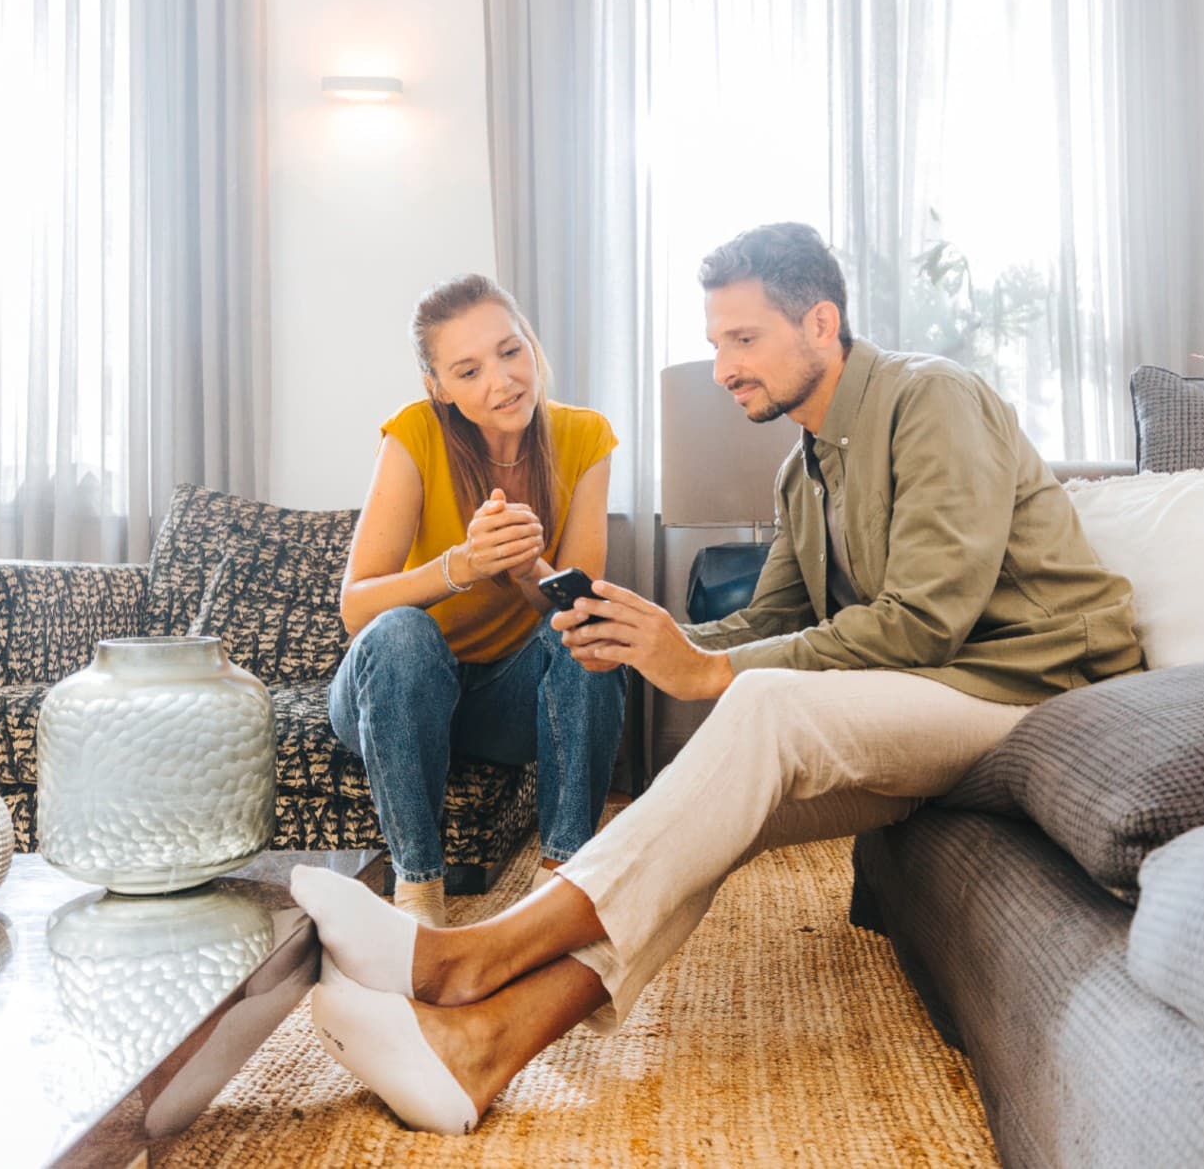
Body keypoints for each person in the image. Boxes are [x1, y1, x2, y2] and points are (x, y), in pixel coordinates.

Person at [293, 223, 1142, 1134]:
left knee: (762, 706)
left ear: (820, 323)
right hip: (937, 696)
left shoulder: (931, 399)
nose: (723, 367)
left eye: (743, 340)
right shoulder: (802, 467)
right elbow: (764, 621)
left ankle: (465, 962)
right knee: (711, 810)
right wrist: (649, 637)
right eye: (715, 345)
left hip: (1031, 689)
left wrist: (708, 668)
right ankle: (483, 1047)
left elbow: (925, 622)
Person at [327, 274, 626, 929]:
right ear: (439, 387)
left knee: (586, 633)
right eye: (468, 370)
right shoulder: (414, 433)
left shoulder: (585, 438)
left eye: (510, 351)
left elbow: (573, 607)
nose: (502, 381)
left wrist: (526, 569)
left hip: (501, 705)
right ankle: (419, 894)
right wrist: (460, 567)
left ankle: (563, 888)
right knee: (402, 630)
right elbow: (356, 611)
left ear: (531, 344)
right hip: (392, 695)